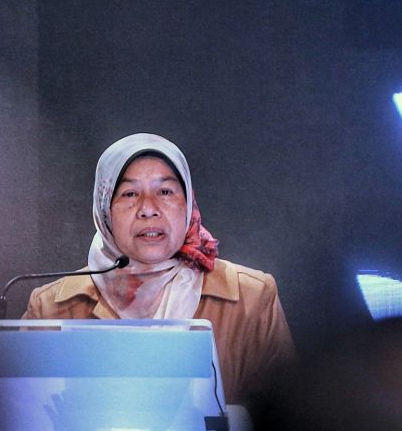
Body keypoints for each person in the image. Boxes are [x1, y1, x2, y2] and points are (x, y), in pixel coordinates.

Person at [23, 133, 294, 406]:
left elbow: (286, 423)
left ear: (188, 203)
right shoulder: (51, 310)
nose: (148, 209)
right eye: (130, 194)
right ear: (104, 210)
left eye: (165, 192)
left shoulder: (251, 298)